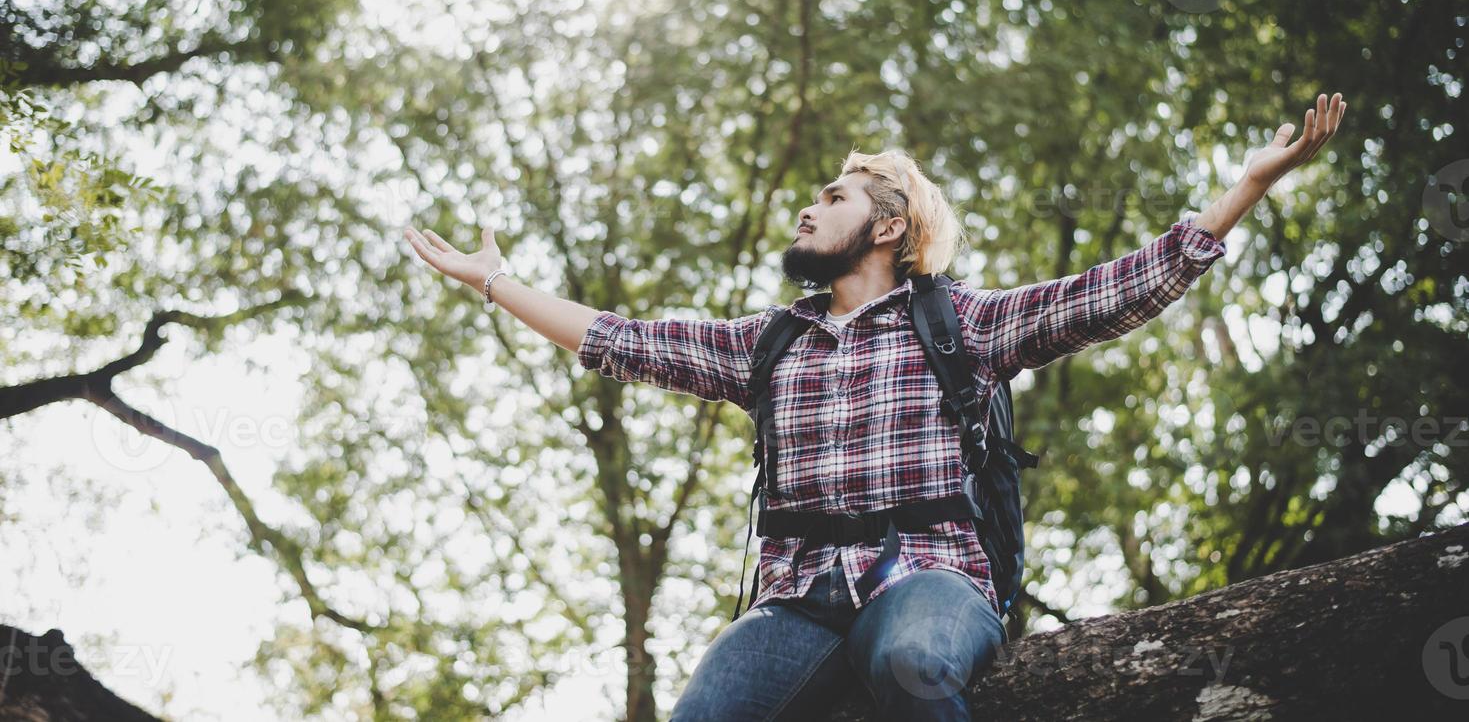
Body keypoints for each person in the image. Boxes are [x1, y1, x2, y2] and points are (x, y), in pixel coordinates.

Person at [404, 93, 1346, 721]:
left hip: (930, 579)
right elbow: (621, 340)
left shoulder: (959, 324)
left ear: (888, 227)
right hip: (797, 603)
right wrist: (499, 283)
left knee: (910, 665)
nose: (808, 210)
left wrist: (1248, 186)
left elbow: (1119, 290)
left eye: (834, 196)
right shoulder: (765, 343)